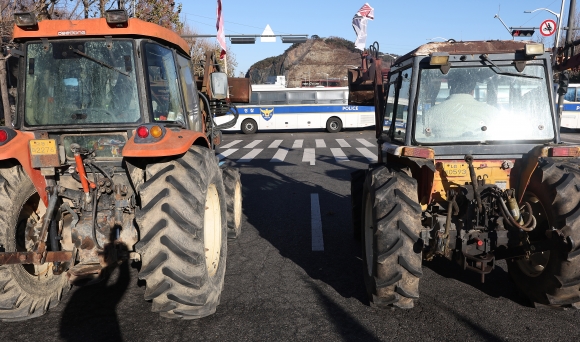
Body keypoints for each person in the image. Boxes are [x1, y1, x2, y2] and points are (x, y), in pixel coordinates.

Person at [425, 69, 498, 140]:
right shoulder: (492, 112)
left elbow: (421, 137)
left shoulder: (431, 113)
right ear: (472, 91)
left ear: (450, 88)